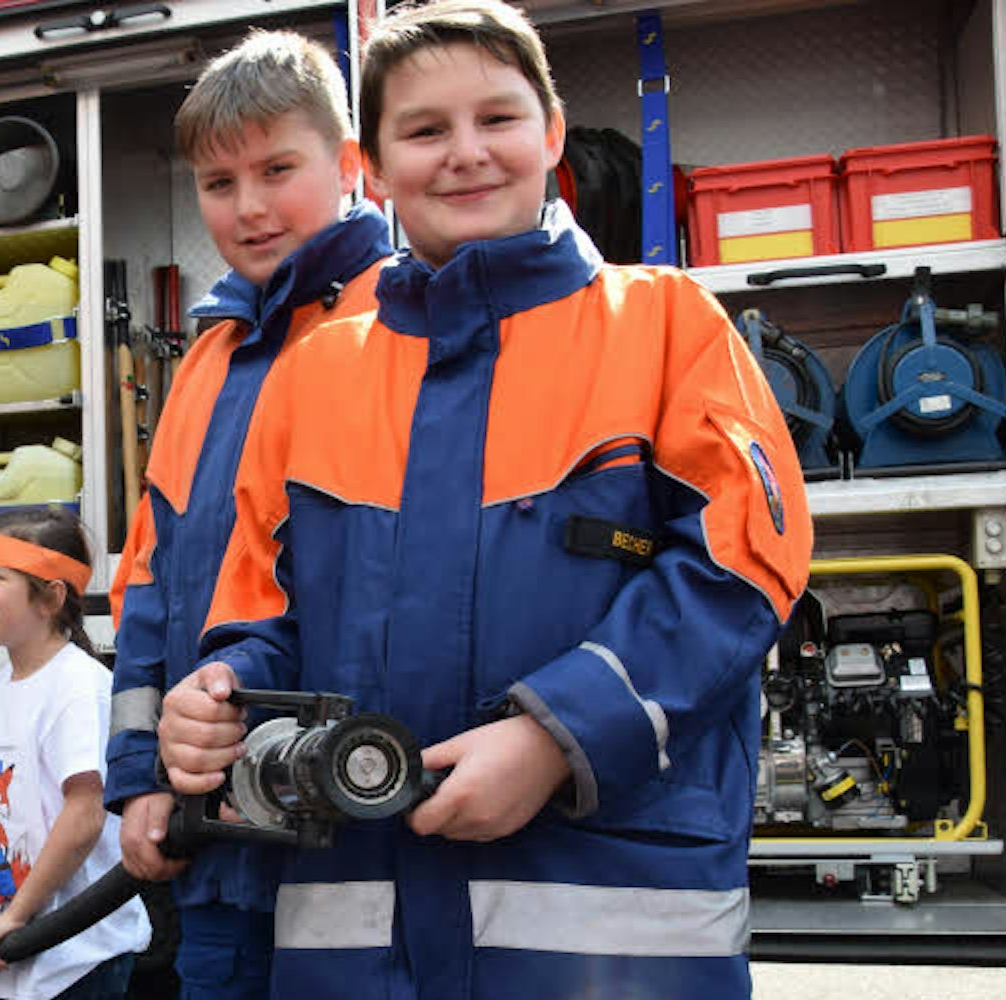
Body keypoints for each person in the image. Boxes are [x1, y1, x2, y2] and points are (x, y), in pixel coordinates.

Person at [154, 2, 814, 997]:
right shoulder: (316, 374)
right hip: (357, 940)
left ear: (550, 134)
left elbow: (742, 566)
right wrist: (218, 700)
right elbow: (259, 610)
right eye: (424, 130)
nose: (465, 153)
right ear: (375, 171)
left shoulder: (668, 326)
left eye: (496, 118)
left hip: (607, 940)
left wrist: (556, 736)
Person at [101, 29, 393, 1000]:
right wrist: (139, 774)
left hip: (355, 821)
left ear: (347, 164)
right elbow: (150, 581)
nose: (250, 208)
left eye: (277, 170)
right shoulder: (207, 359)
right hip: (219, 830)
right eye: (218, 184)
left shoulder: (400, 321)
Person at [0, 511, 150, 1000]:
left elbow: (85, 813)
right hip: (12, 946)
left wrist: (16, 915)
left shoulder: (79, 687)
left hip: (80, 951)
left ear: (51, 598)